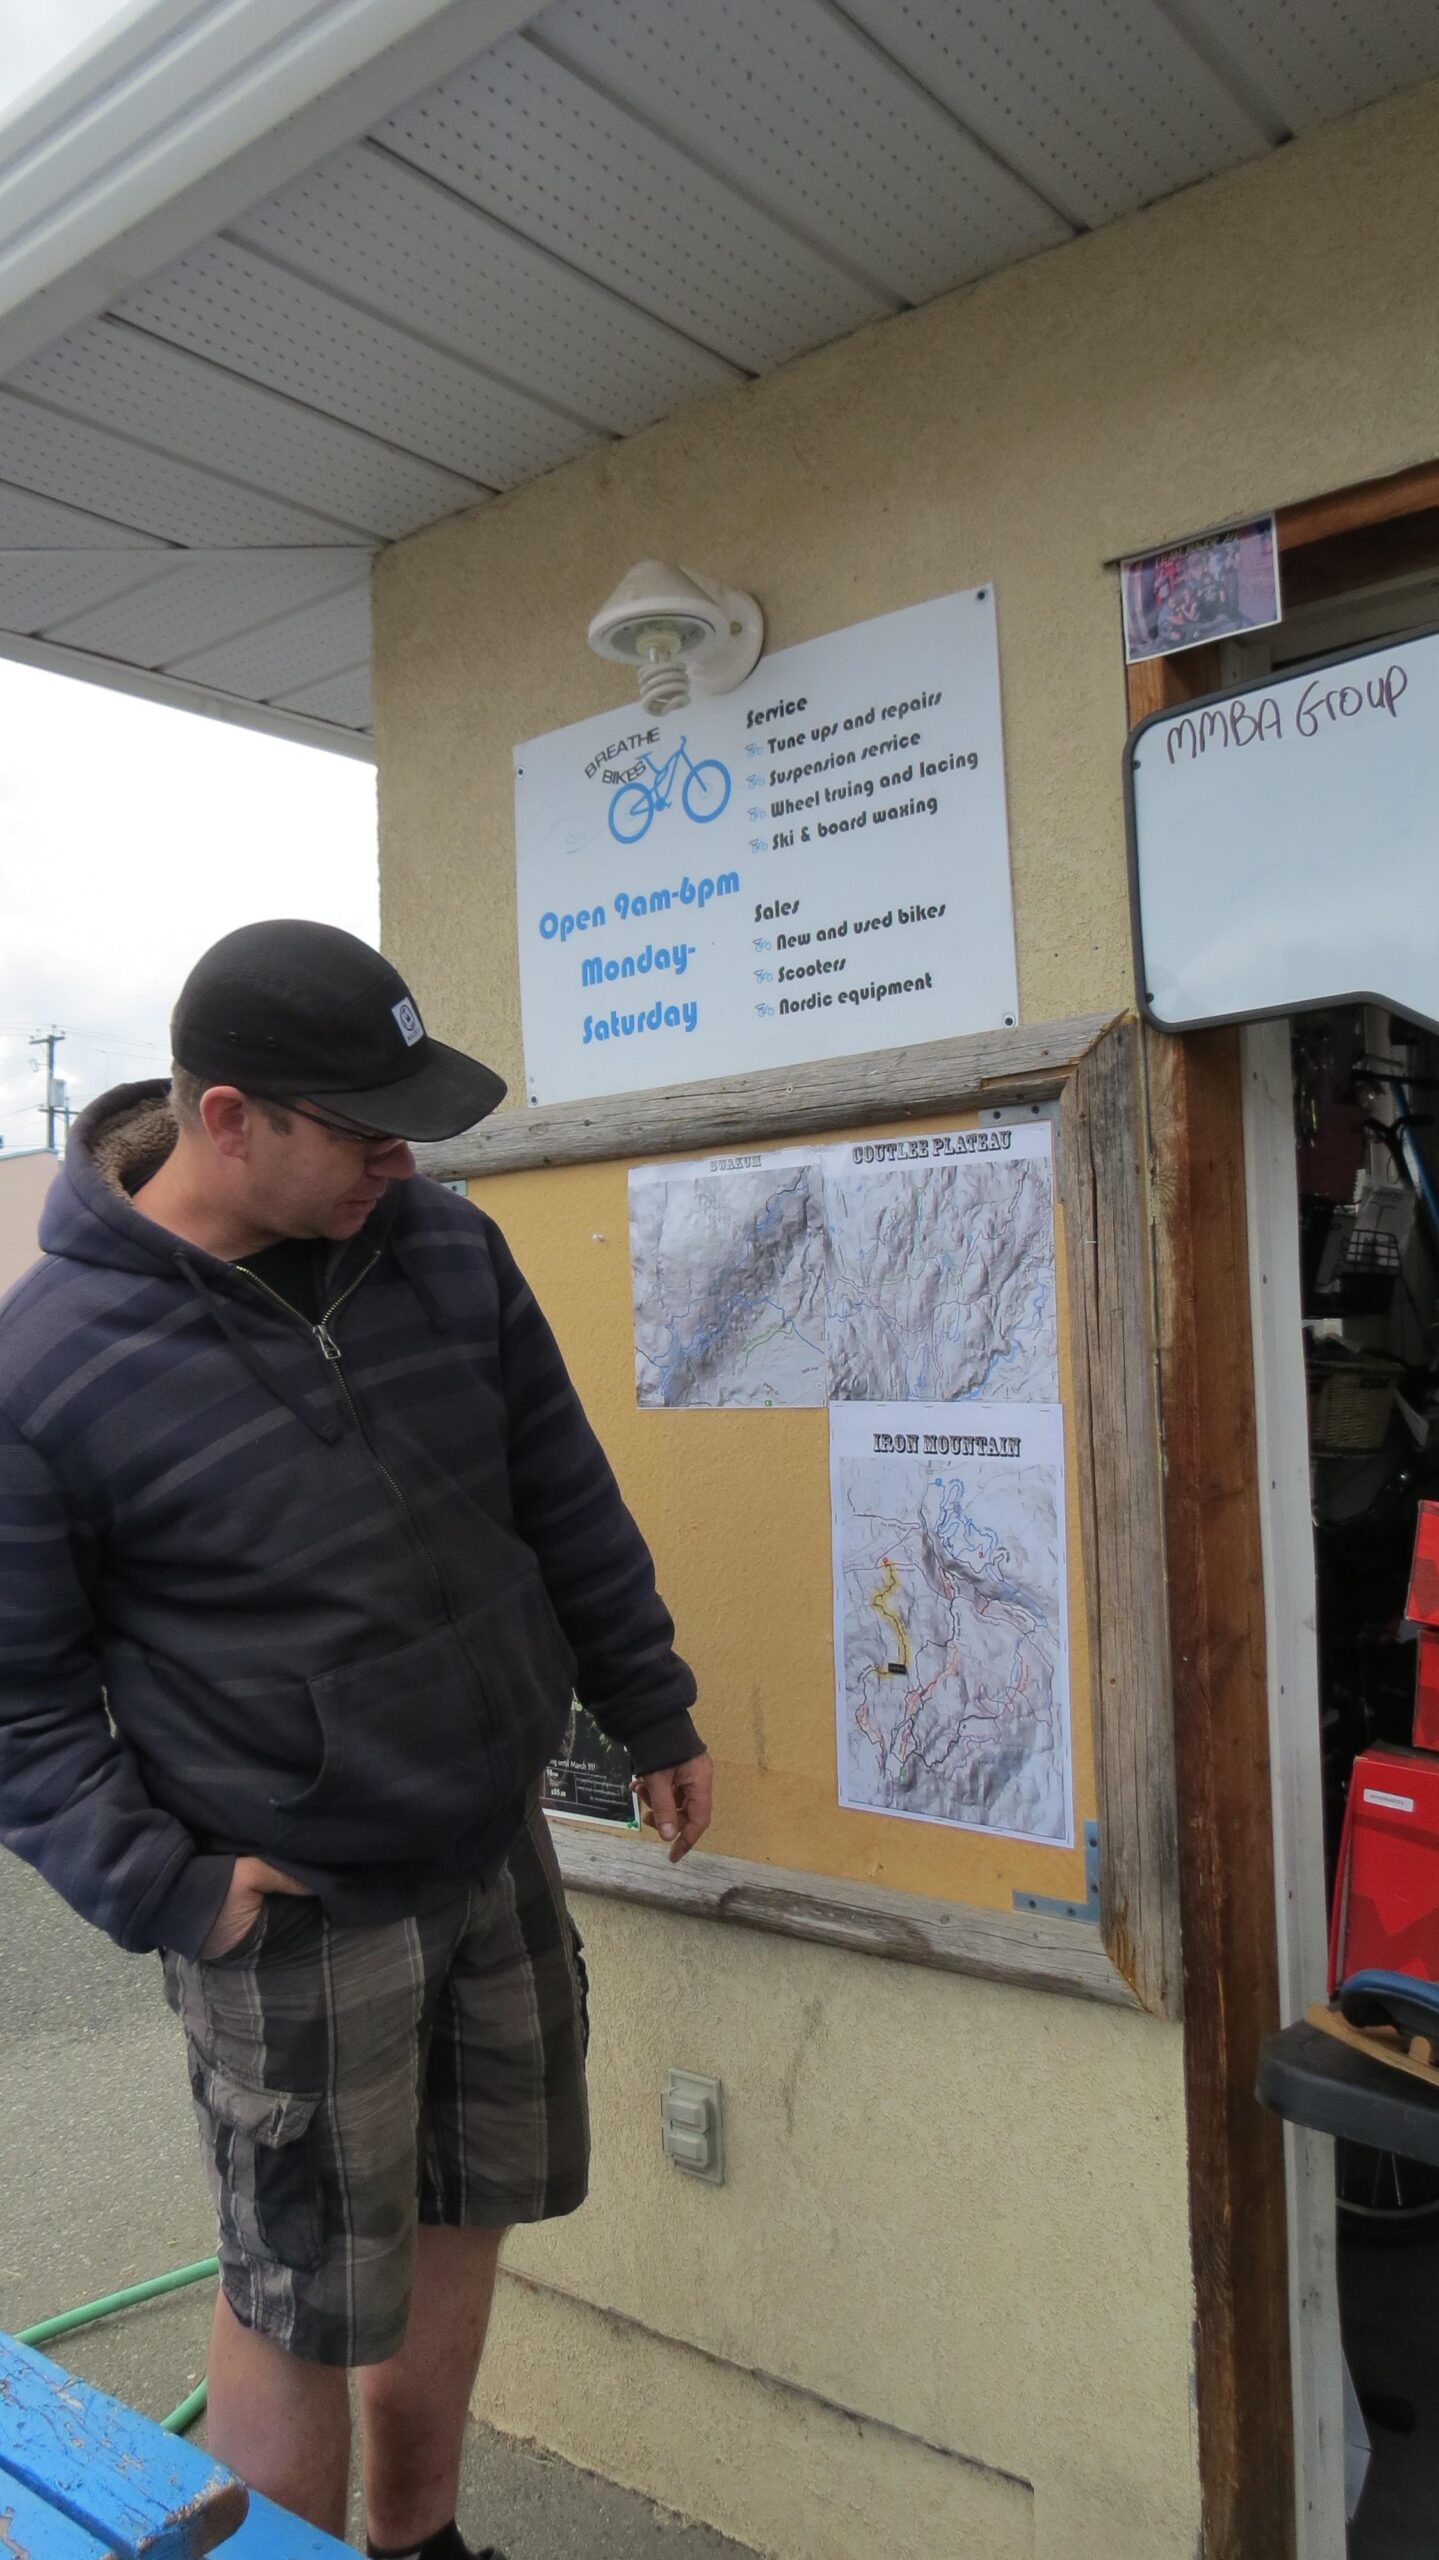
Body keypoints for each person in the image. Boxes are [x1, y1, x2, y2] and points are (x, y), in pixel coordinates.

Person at [0, 920, 711, 2558]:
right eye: (366, 1126)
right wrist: (177, 1889)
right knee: (299, 2291)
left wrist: (647, 1699)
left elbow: (563, 1499)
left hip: (491, 1848)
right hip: (297, 1903)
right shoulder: (51, 1369)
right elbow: (21, 1701)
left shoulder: (446, 1250)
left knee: (469, 2212)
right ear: (231, 1117)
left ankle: (420, 2540)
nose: (404, 1157)